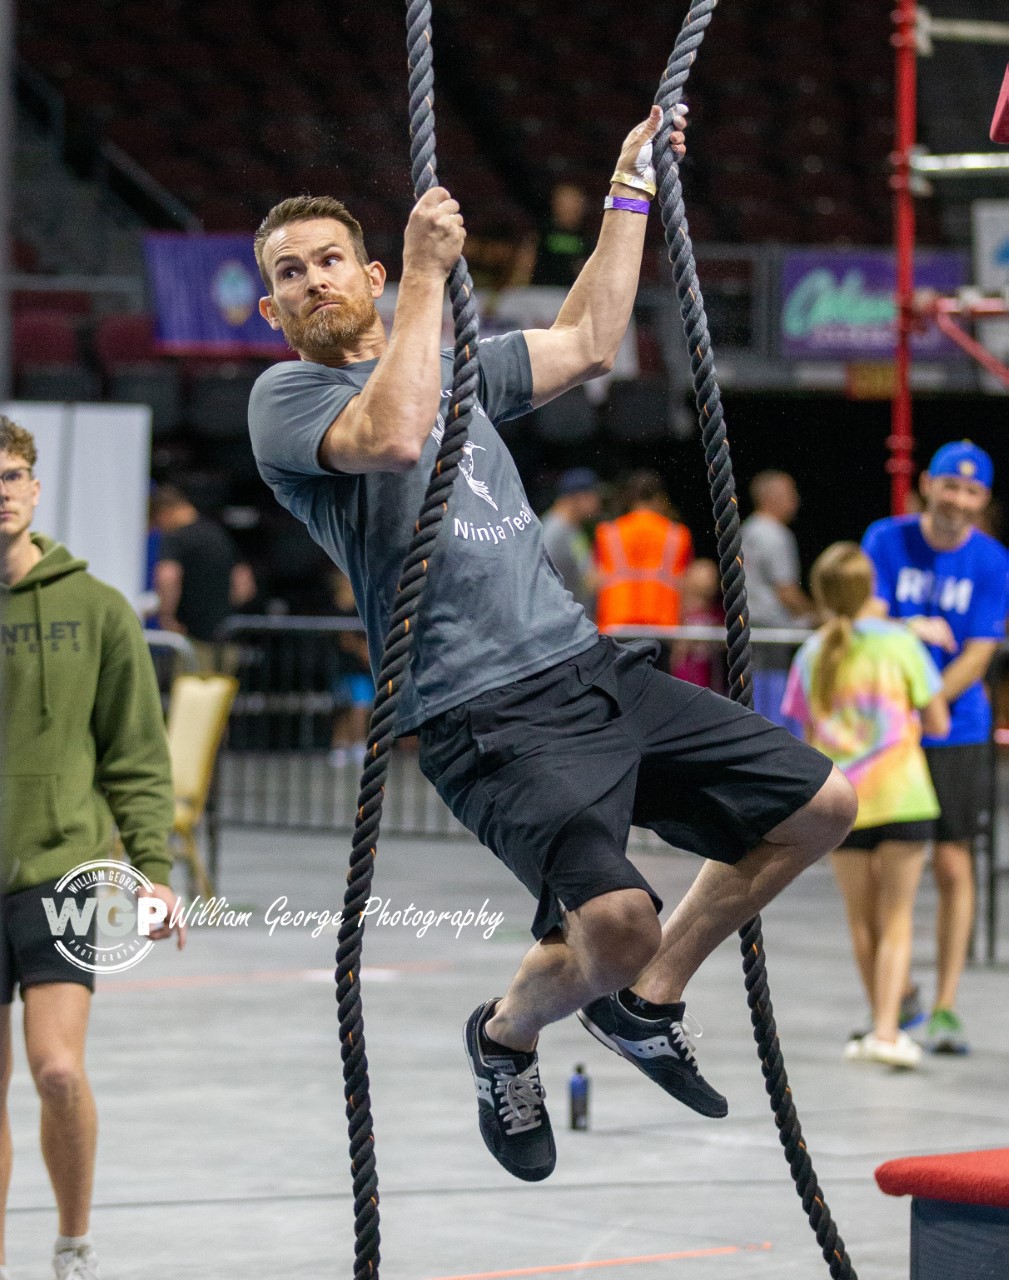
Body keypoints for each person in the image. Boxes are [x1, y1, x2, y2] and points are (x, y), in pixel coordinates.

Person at [247, 104, 856, 1185]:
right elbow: (390, 438)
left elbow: (586, 341)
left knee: (822, 804)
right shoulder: (290, 397)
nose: (311, 281)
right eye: (289, 273)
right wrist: (434, 277)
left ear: (368, 270)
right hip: (483, 711)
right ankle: (507, 1033)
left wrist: (629, 191)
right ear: (272, 307)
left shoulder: (460, 366)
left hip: (588, 666)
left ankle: (647, 1001)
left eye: (329, 259)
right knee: (613, 918)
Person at [0, 417, 185, 1280]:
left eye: (10, 475)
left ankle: (73, 1244)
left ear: (34, 490)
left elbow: (137, 759)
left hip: (62, 872)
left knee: (58, 1070)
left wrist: (153, 873)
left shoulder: (99, 609)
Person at [862, 440, 1009, 1054]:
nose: (960, 499)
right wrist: (909, 629)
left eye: (972, 492)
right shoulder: (886, 539)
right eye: (951, 485)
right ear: (927, 484)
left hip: (957, 725)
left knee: (953, 864)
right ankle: (896, 1000)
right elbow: (865, 617)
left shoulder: (992, 559)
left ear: (983, 501)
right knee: (881, 870)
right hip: (887, 726)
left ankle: (945, 1006)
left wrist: (931, 704)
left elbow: (980, 650)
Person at [782, 544, 949, 1069]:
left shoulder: (811, 653)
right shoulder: (900, 644)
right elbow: (939, 721)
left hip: (841, 806)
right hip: (903, 797)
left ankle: (883, 1024)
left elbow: (805, 737)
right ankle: (887, 1030)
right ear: (870, 586)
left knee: (862, 921)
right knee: (896, 919)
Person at [740, 470, 814, 725]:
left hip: (746, 627)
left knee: (751, 697)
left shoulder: (746, 530)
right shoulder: (776, 535)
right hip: (772, 632)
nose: (796, 501)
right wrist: (817, 615)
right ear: (771, 498)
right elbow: (787, 592)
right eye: (790, 495)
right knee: (773, 703)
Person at [150, 484, 239, 672]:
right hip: (226, 640)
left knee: (191, 700)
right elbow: (243, 584)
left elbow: (168, 576)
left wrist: (167, 617)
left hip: (192, 644)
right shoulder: (218, 534)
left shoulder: (176, 537)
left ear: (165, 512)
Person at [593, 470, 693, 636]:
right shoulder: (677, 535)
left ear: (629, 498)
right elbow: (685, 584)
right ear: (660, 498)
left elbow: (595, 580)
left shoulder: (608, 533)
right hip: (663, 626)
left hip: (616, 624)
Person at [328, 568, 374, 768]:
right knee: (350, 708)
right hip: (346, 666)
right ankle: (345, 745)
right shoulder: (339, 609)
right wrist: (362, 650)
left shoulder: (361, 605)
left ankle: (353, 744)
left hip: (361, 669)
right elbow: (344, 639)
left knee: (360, 706)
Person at [540, 467, 601, 617]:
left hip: (571, 620)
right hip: (558, 621)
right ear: (578, 497)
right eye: (594, 495)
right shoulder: (553, 530)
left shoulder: (572, 529)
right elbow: (541, 579)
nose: (598, 502)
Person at [509, 182, 592, 288]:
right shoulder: (541, 231)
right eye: (566, 201)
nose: (570, 207)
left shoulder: (587, 238)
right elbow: (525, 265)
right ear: (555, 203)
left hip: (570, 294)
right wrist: (518, 290)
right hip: (543, 293)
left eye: (575, 202)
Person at [671, 558, 725, 692]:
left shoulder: (716, 614)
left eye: (712, 576)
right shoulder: (677, 611)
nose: (709, 582)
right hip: (683, 680)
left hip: (710, 680)